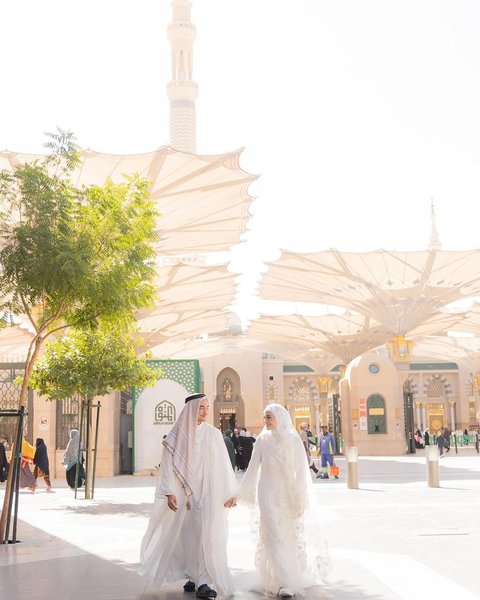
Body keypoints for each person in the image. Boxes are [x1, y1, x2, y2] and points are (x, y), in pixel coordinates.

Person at [139, 393, 238, 599]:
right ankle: (193, 576)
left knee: (205, 535)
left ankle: (203, 580)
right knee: (187, 537)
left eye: (207, 407)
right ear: (191, 409)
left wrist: (230, 492)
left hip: (209, 493)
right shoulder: (176, 436)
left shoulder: (213, 434)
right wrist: (169, 491)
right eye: (201, 407)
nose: (205, 411)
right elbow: (166, 465)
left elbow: (224, 464)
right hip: (185, 495)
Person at [238, 403, 329, 598]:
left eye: (269, 417)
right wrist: (238, 493)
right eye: (265, 418)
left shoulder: (293, 441)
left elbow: (301, 473)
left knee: (286, 536)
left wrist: (299, 499)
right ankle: (285, 582)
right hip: (267, 495)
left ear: (279, 417)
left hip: (287, 495)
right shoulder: (262, 440)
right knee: (272, 536)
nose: (266, 421)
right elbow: (252, 469)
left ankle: (284, 577)